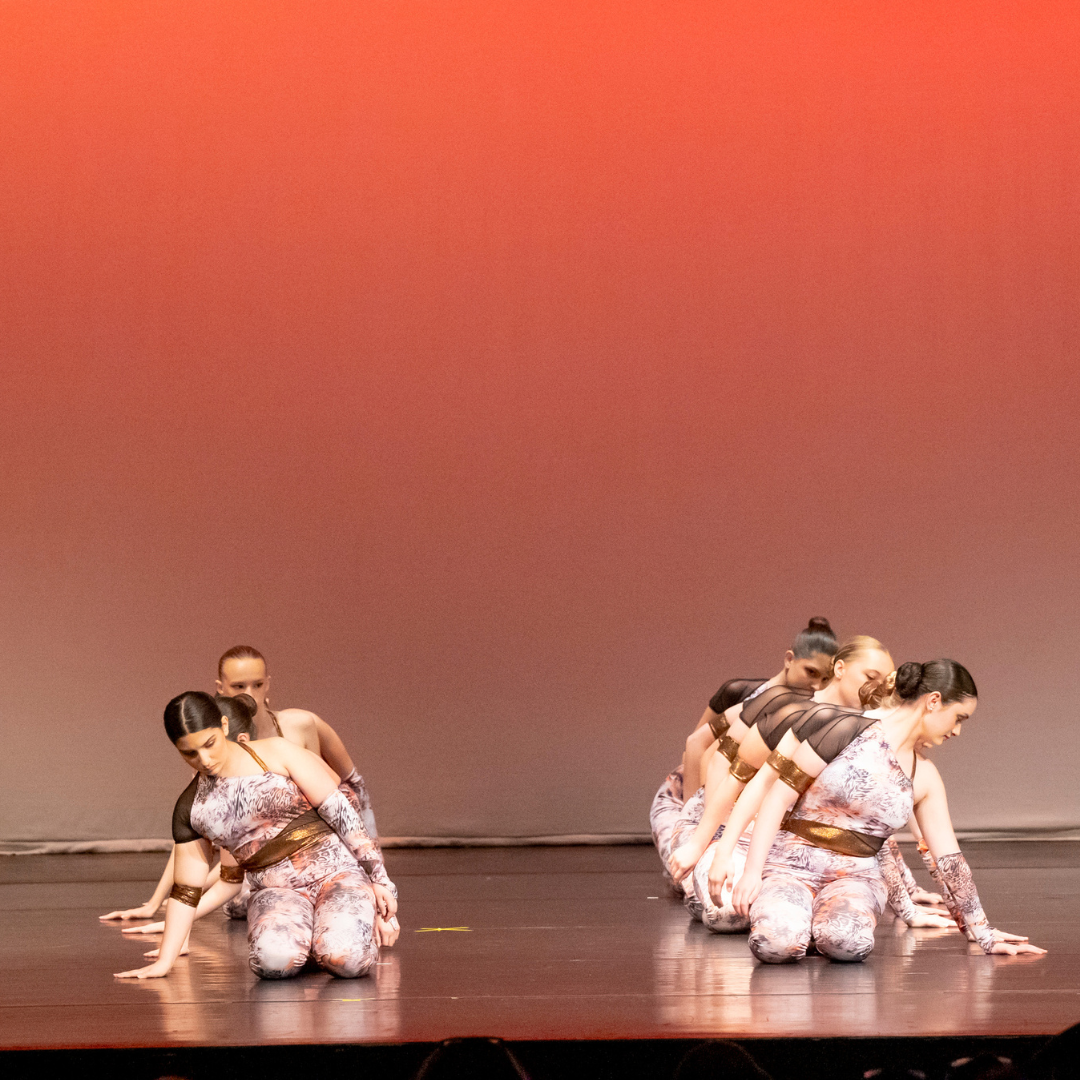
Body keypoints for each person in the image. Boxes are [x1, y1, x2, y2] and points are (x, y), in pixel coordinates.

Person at [731, 661, 1046, 962]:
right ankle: (798, 924)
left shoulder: (925, 776)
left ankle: (816, 929)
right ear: (933, 701)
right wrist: (752, 872)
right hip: (789, 866)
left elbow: (950, 862)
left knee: (847, 945)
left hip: (856, 878)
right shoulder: (847, 730)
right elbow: (778, 797)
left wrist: (982, 932)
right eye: (958, 717)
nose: (957, 731)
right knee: (774, 945)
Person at [115, 691, 397, 980]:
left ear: (224, 725)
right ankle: (317, 946)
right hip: (276, 891)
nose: (204, 759)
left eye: (210, 744)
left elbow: (341, 812)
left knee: (346, 959)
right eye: (189, 753)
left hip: (337, 874)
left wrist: (380, 881)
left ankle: (340, 938)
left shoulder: (276, 752)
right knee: (273, 964)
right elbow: (185, 891)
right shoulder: (192, 808)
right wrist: (165, 960)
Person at [100, 645, 379, 923]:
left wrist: (372, 872)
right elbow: (194, 839)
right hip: (263, 864)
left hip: (328, 848)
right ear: (220, 689)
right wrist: (158, 903)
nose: (249, 693)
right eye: (238, 686)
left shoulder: (300, 724)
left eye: (257, 684)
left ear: (268, 683)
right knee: (243, 901)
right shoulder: (213, 751)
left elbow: (352, 785)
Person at [649, 617, 836, 894]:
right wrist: (695, 823)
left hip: (739, 799)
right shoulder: (746, 694)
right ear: (789, 659)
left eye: (825, 679)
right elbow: (698, 746)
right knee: (692, 881)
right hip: (691, 791)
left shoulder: (811, 705)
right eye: (811, 672)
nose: (817, 685)